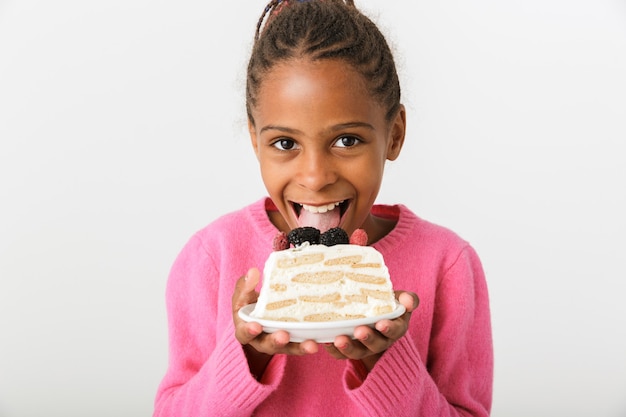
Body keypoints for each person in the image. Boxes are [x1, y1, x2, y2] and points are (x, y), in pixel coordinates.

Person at [153, 0, 493, 416]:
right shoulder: (212, 257)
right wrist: (248, 354)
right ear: (255, 139)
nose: (315, 177)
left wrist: (380, 361)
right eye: (285, 144)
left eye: (347, 140)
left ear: (394, 135)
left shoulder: (448, 266)